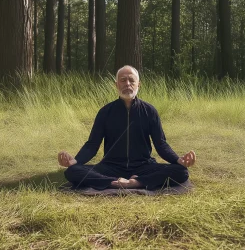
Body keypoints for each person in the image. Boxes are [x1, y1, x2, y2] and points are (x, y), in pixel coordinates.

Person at [58, 65, 196, 190]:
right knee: (72, 171)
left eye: (131, 80)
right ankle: (114, 182)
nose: (127, 84)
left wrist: (179, 160)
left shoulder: (150, 111)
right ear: (116, 85)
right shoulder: (105, 112)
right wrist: (74, 161)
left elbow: (161, 144)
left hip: (143, 166)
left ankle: (136, 182)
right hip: (111, 166)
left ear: (138, 85)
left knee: (181, 171)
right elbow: (92, 145)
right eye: (123, 80)